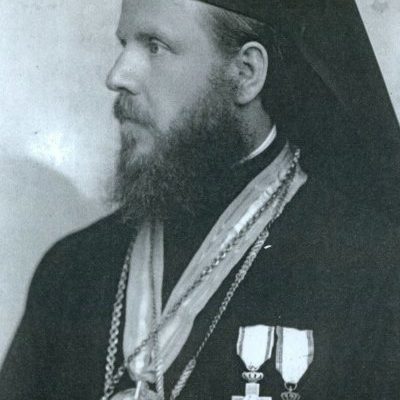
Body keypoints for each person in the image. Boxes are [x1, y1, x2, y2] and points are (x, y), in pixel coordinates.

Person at [1, 1, 399, 399]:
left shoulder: (371, 268)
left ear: (245, 73)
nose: (117, 75)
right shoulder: (70, 272)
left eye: (154, 46)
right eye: (124, 44)